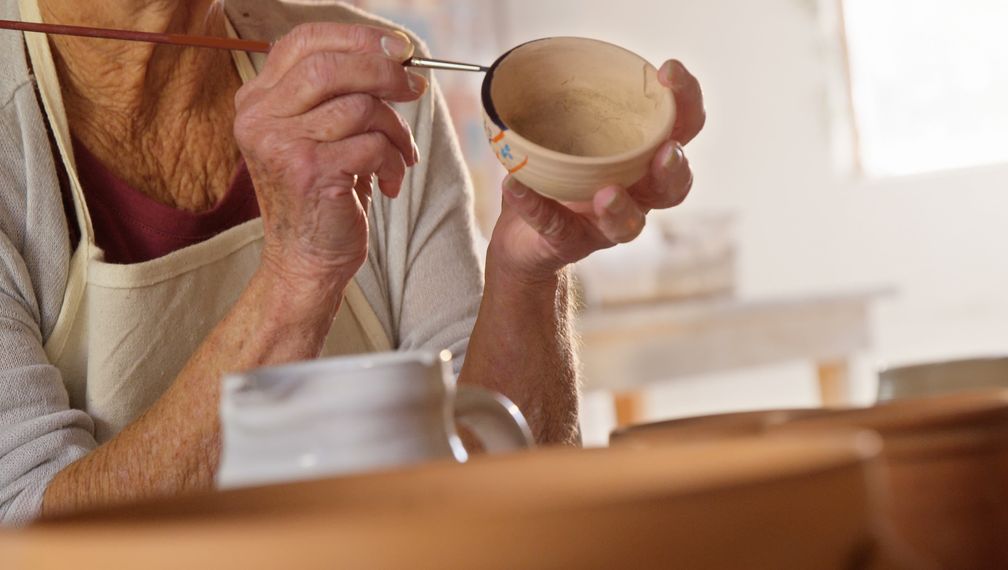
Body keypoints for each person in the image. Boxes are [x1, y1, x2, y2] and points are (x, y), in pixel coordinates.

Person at [0, 0, 705, 525]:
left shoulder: (364, 84)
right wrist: (297, 278)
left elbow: (507, 495)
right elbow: (32, 537)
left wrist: (529, 269)